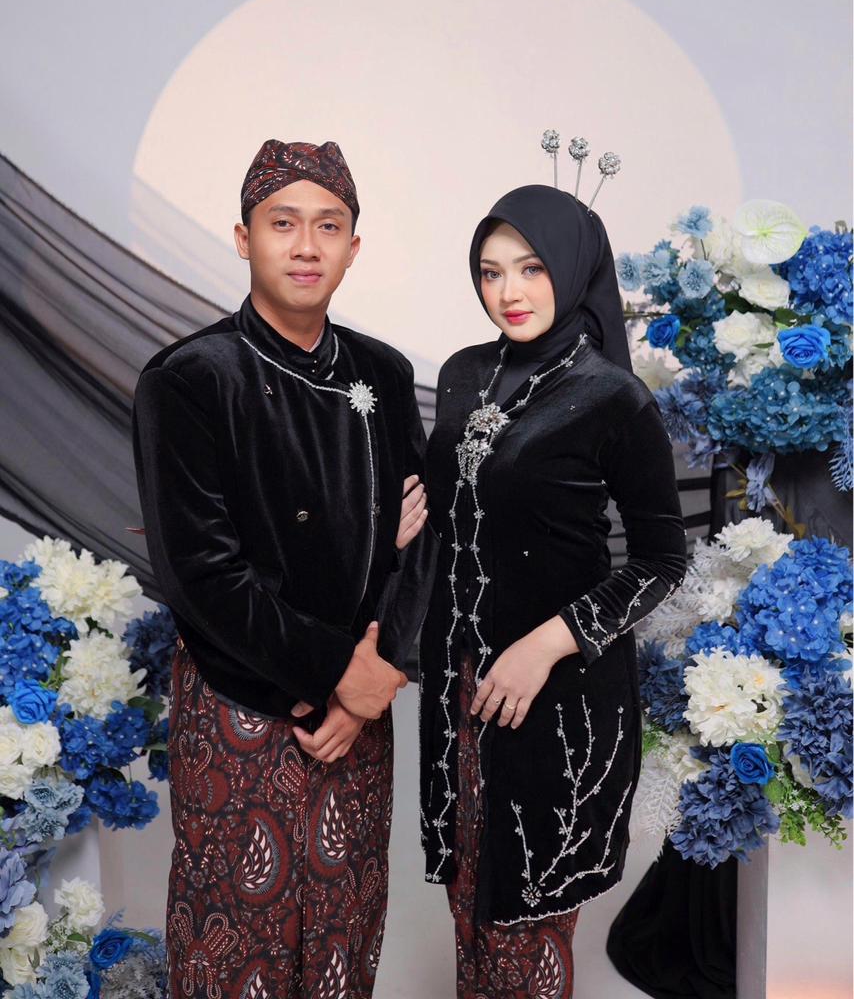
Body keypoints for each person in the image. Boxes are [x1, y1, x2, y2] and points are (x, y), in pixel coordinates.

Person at [133, 139, 432, 999]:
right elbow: (201, 574)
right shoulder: (191, 379)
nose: (306, 246)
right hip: (239, 705)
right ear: (244, 238)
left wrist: (383, 671)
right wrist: (342, 670)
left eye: (328, 227)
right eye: (283, 224)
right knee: (236, 941)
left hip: (361, 712)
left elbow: (427, 539)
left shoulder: (382, 373)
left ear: (354, 247)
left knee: (343, 935)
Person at [419, 183, 688, 998]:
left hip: (559, 697)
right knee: (471, 907)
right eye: (490, 271)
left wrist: (545, 644)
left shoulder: (613, 396)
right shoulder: (464, 374)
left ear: (571, 270)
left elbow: (661, 559)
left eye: (531, 268)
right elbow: (451, 514)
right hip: (461, 690)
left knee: (526, 922)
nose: (509, 291)